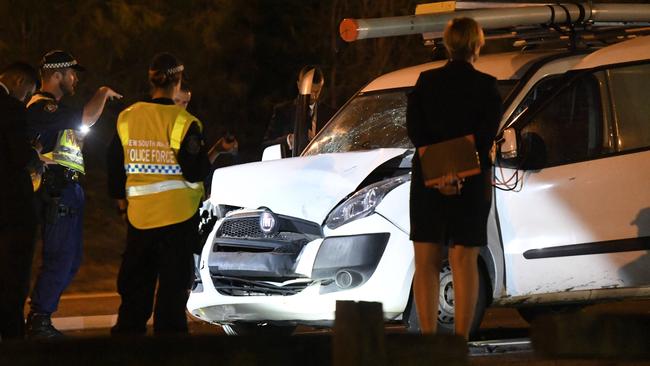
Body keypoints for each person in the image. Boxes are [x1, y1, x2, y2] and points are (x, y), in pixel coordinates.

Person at [406, 17, 501, 339]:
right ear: (477, 44)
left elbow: (416, 133)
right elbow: (486, 137)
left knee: (426, 260)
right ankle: (460, 339)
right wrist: (458, 173)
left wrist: (439, 173)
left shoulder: (425, 82)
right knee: (464, 258)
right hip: (472, 181)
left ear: (447, 45)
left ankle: (430, 338)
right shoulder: (487, 86)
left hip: (427, 179)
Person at [107, 52, 210, 335]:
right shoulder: (184, 121)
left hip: (139, 215)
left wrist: (120, 200)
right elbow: (194, 171)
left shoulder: (128, 117)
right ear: (177, 81)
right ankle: (170, 347)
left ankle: (127, 342)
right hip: (178, 216)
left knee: (136, 284)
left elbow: (114, 162)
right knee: (173, 288)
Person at [25, 50, 122, 339]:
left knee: (72, 258)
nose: (75, 78)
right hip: (57, 192)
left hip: (68, 190)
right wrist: (102, 92)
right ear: (56, 75)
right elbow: (87, 117)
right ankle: (39, 320)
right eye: (71, 73)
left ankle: (42, 316)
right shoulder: (43, 108)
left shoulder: (53, 112)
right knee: (60, 257)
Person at [0, 62, 40, 341]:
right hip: (11, 206)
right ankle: (13, 332)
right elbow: (18, 155)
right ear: (17, 81)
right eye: (28, 91)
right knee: (13, 272)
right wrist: (34, 154)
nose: (26, 98)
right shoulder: (11, 108)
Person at [262, 66, 335, 156]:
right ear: (299, 85)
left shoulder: (331, 114)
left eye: (317, 91)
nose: (313, 96)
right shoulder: (282, 112)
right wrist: (289, 140)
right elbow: (266, 145)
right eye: (311, 91)